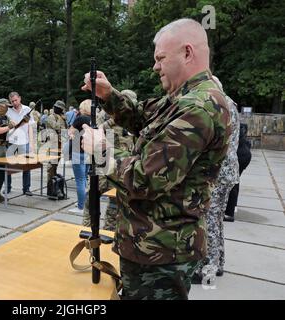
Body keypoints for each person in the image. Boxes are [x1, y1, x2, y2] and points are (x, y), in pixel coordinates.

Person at [81, 18, 231, 300]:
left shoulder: (198, 106)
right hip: (152, 246)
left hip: (161, 253)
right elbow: (143, 116)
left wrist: (102, 149)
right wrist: (109, 95)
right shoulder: (183, 98)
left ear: (187, 53)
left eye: (161, 58)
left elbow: (145, 178)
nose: (155, 66)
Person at [193, 76, 240, 282]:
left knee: (210, 219)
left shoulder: (220, 104)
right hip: (228, 170)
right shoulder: (231, 104)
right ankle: (218, 263)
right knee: (217, 219)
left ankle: (208, 270)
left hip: (219, 170)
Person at [82, 90, 137, 231]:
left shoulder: (134, 122)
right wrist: (114, 120)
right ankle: (87, 231)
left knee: (114, 205)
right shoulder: (103, 117)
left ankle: (108, 232)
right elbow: (94, 135)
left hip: (119, 168)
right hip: (100, 167)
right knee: (91, 202)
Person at [6, 91, 35, 196]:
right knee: (9, 165)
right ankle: (8, 187)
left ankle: (26, 188)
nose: (14, 102)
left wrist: (31, 143)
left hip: (25, 141)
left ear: (20, 98)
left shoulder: (27, 110)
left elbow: (30, 127)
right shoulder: (8, 111)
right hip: (12, 142)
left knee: (26, 166)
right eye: (12, 101)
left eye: (16, 100)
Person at [67, 99, 91, 214]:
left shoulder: (80, 119)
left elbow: (70, 131)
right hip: (88, 152)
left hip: (78, 151)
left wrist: (71, 135)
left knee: (80, 180)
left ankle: (81, 207)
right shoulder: (93, 119)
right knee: (85, 178)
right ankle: (84, 203)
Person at [224, 123, 252, 221]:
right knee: (235, 180)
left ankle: (229, 213)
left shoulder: (231, 123)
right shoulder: (239, 125)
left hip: (241, 155)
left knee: (232, 182)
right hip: (244, 154)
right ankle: (232, 207)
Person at [46, 100, 67, 183]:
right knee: (51, 164)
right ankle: (50, 183)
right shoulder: (52, 117)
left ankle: (54, 181)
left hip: (59, 143)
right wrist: (60, 118)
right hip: (52, 143)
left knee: (55, 164)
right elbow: (57, 127)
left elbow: (65, 129)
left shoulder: (62, 117)